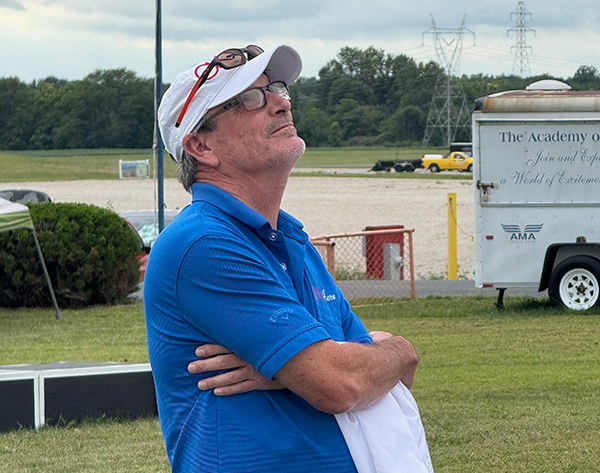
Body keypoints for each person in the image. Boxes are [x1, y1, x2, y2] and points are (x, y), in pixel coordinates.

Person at [145, 44, 431, 473]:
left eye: (276, 88)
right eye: (249, 99)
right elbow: (343, 383)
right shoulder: (202, 244)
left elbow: (381, 371)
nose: (280, 102)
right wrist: (354, 359)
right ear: (201, 146)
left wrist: (298, 369)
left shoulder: (293, 241)